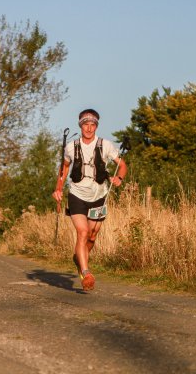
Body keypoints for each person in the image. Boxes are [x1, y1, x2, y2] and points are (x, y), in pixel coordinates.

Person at [52, 109, 127, 291]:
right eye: (85, 124)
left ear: (96, 126)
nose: (89, 128)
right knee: (83, 232)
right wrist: (58, 188)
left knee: (92, 236)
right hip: (77, 194)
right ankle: (86, 272)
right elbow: (64, 169)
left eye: (92, 125)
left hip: (99, 196)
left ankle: (79, 256)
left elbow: (122, 165)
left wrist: (119, 178)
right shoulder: (71, 147)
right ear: (80, 125)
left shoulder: (106, 145)